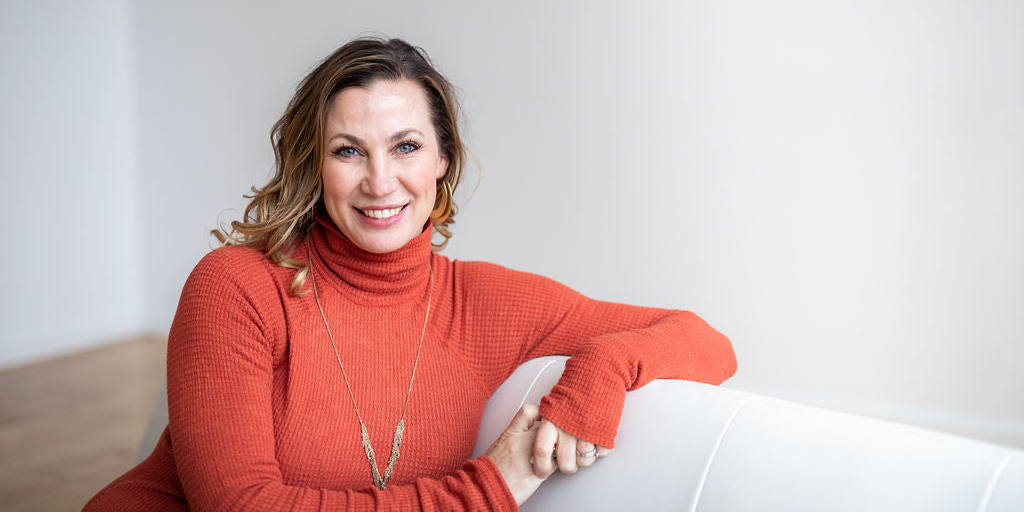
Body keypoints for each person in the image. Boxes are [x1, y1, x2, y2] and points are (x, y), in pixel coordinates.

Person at [86, 37, 736, 510]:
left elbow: (707, 341)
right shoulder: (238, 285)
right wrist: (492, 486)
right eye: (348, 150)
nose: (379, 181)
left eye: (405, 146)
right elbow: (241, 505)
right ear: (316, 166)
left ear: (443, 159)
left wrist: (604, 367)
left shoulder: (485, 301)